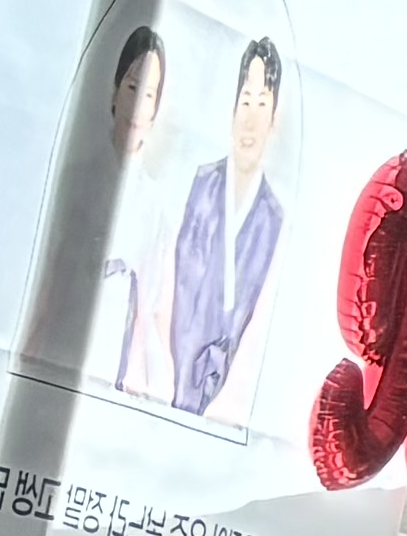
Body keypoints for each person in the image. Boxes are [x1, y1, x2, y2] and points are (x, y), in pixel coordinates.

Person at [166, 34, 293, 418]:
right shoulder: (200, 185)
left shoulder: (274, 219)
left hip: (229, 404)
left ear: (274, 120)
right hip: (168, 376)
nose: (250, 119)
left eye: (262, 104)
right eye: (245, 102)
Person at [87, 27, 179, 398]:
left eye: (150, 95)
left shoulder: (156, 204)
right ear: (114, 92)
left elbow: (157, 310)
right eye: (132, 88)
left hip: (120, 354)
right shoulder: (80, 179)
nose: (139, 106)